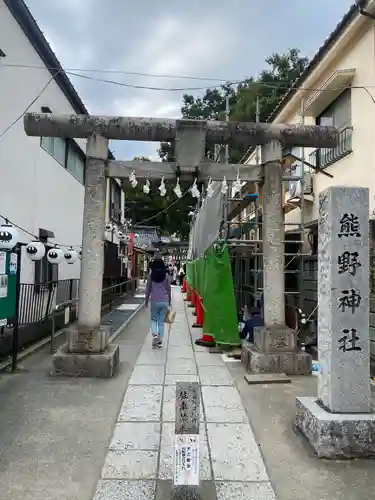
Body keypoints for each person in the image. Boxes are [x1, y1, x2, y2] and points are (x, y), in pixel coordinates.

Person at [145, 257, 171, 347]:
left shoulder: (150, 275)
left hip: (155, 300)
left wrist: (146, 300)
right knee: (161, 321)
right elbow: (169, 289)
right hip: (164, 300)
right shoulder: (166, 275)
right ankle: (159, 339)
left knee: (153, 319)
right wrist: (170, 300)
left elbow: (148, 289)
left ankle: (155, 336)